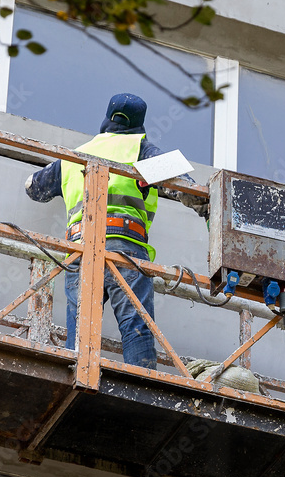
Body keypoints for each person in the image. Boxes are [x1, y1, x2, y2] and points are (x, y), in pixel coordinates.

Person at [24, 92, 194, 370]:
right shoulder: (143, 151)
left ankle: (76, 370)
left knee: (80, 325)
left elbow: (33, 187)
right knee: (135, 323)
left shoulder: (74, 157)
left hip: (80, 250)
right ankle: (141, 381)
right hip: (125, 249)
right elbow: (187, 187)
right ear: (139, 124)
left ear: (107, 118)